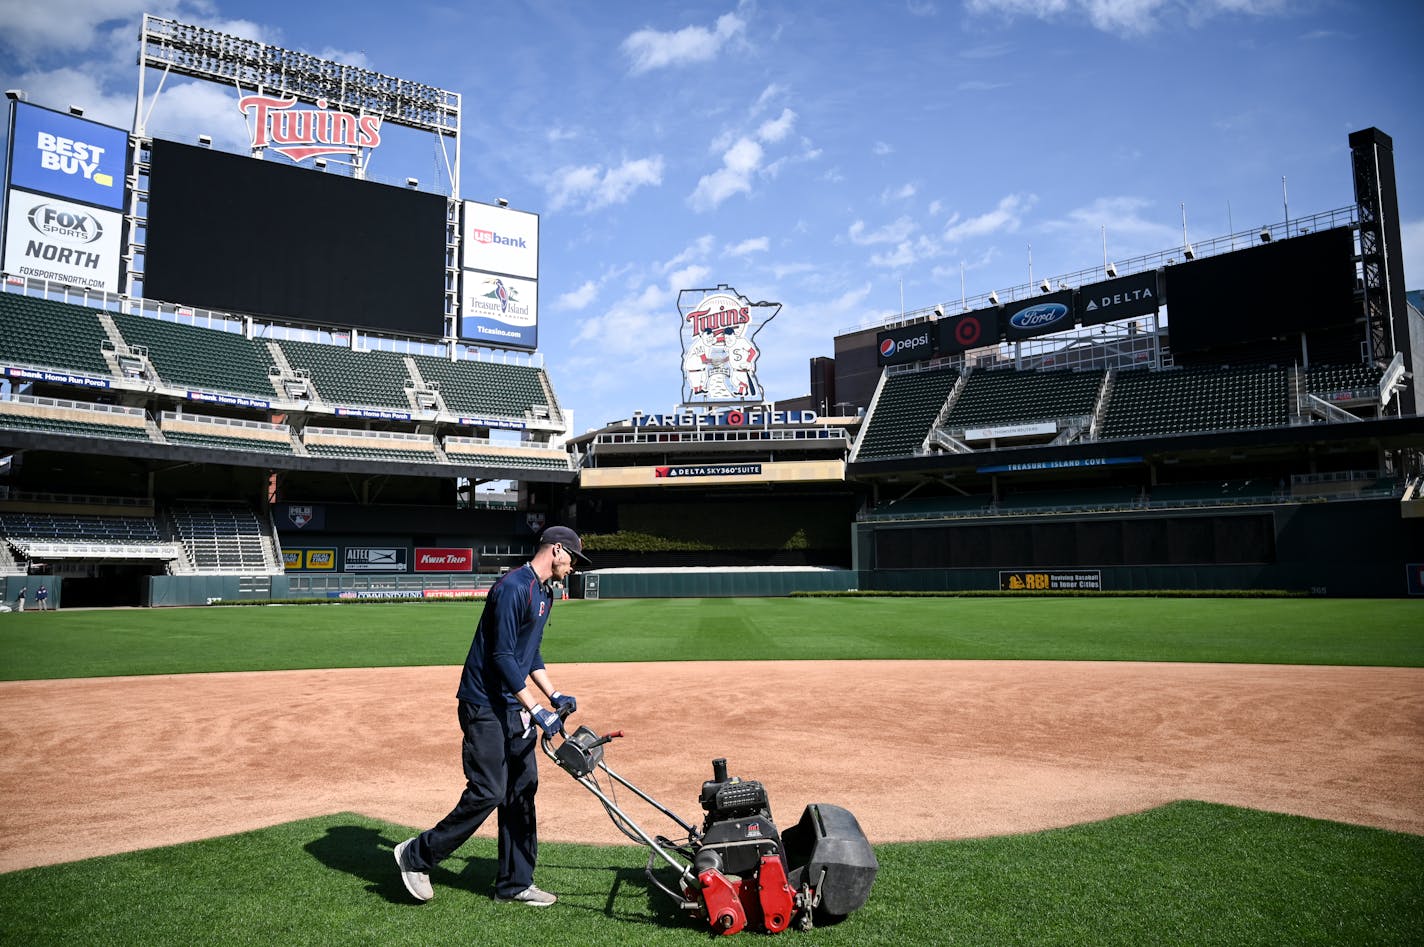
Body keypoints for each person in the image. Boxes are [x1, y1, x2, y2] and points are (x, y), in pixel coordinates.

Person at [394, 525, 591, 906]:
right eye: (573, 558)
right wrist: (535, 708)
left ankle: (516, 883)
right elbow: (501, 656)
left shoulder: (545, 594)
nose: (574, 567)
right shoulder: (512, 588)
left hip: (512, 706)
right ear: (555, 551)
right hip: (484, 704)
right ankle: (415, 855)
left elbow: (528, 653)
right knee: (489, 790)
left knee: (521, 790)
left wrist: (553, 694)